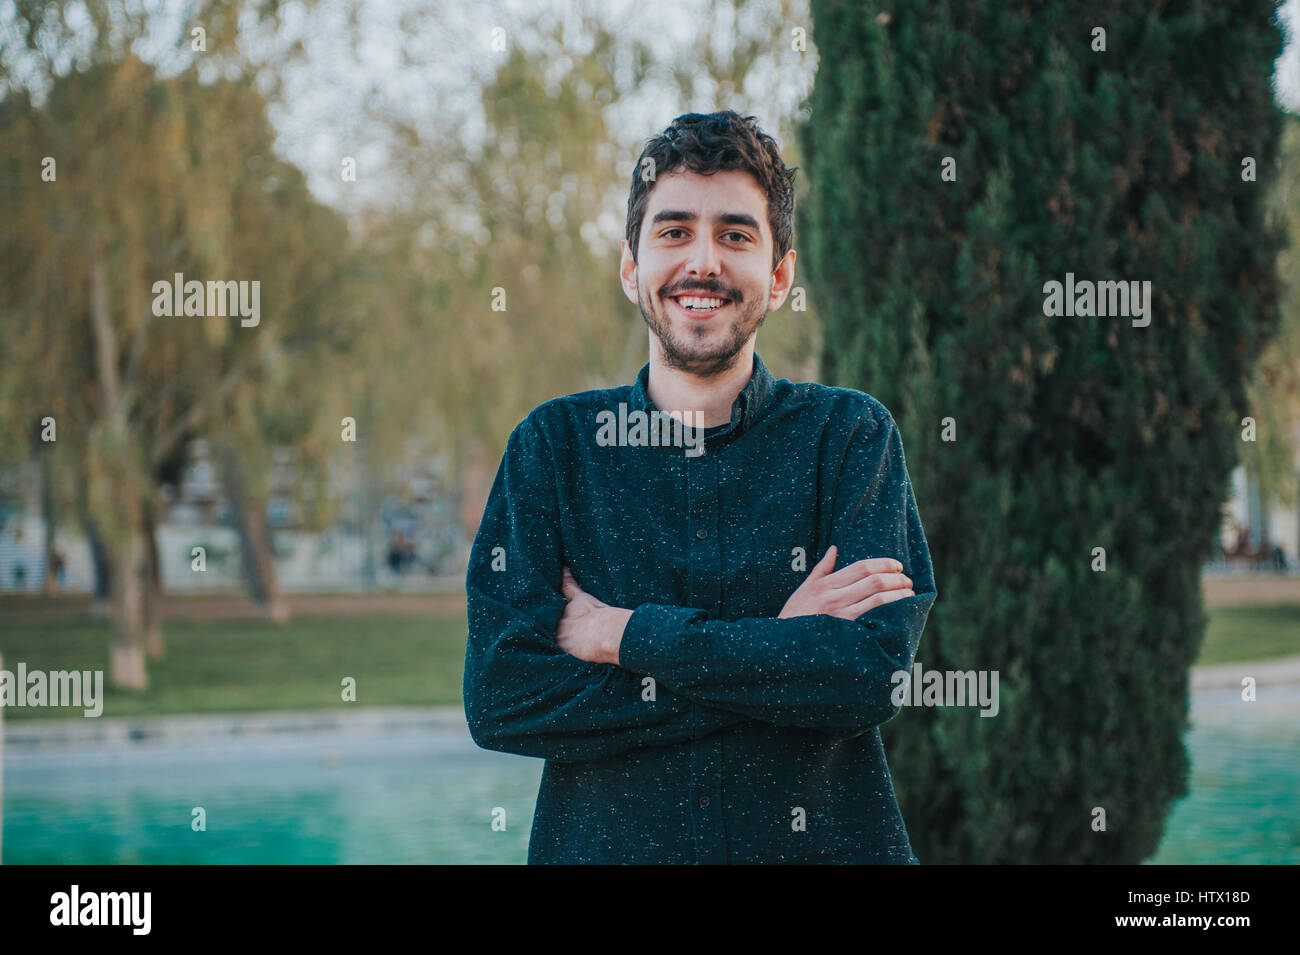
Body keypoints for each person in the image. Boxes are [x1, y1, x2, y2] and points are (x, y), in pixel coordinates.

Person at [464, 111, 937, 864]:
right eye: (675, 231)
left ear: (780, 276)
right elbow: (504, 699)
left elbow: (863, 679)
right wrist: (780, 651)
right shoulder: (552, 450)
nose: (703, 261)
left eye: (737, 235)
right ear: (631, 268)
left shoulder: (850, 437)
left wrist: (623, 637)